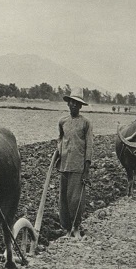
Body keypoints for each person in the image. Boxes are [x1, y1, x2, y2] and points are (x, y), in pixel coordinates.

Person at [56, 91, 94, 239]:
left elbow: (89, 145)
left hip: (78, 166)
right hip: (64, 165)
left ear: (80, 106)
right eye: (71, 102)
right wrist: (59, 151)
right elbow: (60, 138)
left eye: (76, 103)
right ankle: (67, 229)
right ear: (68, 103)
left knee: (76, 199)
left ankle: (76, 227)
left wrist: (87, 168)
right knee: (64, 199)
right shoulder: (62, 121)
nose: (73, 105)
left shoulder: (86, 123)